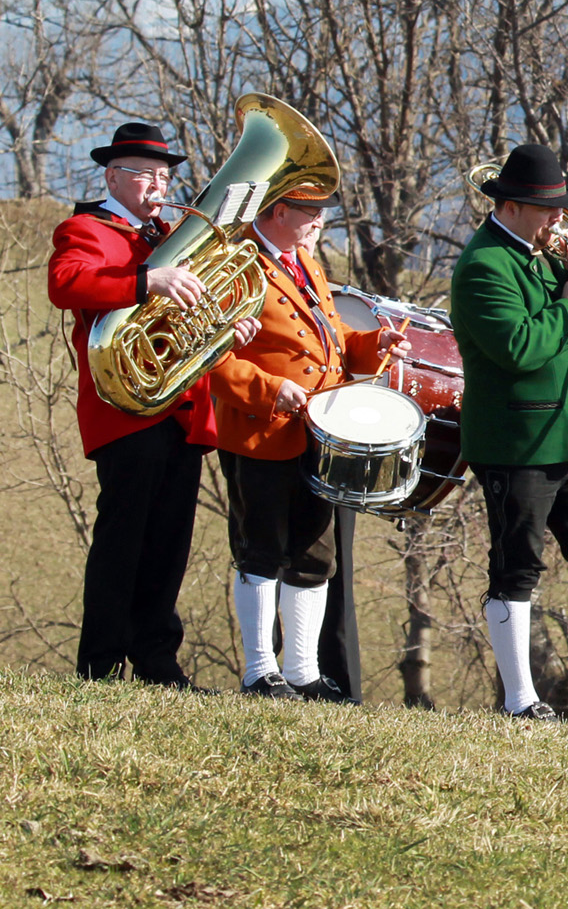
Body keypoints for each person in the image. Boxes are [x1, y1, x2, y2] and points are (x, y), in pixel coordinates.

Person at [452, 143, 568, 723]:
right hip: (519, 441)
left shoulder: (542, 250)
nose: (558, 218)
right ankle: (519, 701)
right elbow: (518, 348)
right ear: (509, 207)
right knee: (517, 566)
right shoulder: (484, 265)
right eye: (546, 209)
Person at [47, 122, 234, 687]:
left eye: (164, 175)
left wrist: (230, 319)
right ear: (113, 176)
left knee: (169, 542)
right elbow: (66, 283)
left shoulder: (172, 232)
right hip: (126, 404)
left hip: (181, 405)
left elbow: (198, 306)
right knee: (123, 538)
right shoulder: (85, 227)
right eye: (146, 174)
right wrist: (144, 281)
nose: (158, 185)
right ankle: (100, 665)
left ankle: (157, 662)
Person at [207, 187, 406, 700]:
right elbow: (211, 358)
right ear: (278, 212)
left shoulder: (307, 264)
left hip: (318, 434)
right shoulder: (237, 264)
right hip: (260, 432)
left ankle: (302, 671)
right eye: (310, 214)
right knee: (262, 551)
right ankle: (258, 671)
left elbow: (332, 340)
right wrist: (272, 390)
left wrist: (372, 345)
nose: (319, 224)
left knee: (315, 557)